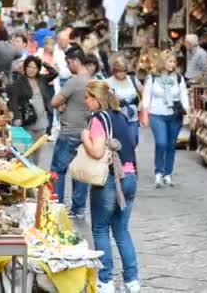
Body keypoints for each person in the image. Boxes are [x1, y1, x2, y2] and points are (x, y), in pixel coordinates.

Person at [81, 80, 140, 293]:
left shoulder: (99, 119)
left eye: (87, 97)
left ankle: (105, 281)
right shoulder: (121, 116)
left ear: (96, 99)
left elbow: (96, 152)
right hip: (130, 176)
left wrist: (85, 137)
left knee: (100, 230)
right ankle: (132, 281)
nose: (85, 101)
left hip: (110, 179)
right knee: (122, 230)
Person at [50, 48, 92, 218]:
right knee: (80, 171)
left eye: (68, 63)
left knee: (58, 170)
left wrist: (62, 104)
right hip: (85, 132)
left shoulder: (74, 82)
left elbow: (55, 101)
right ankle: (79, 208)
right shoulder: (92, 80)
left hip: (69, 132)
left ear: (75, 61)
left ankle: (56, 204)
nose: (68, 66)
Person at [140, 50, 189, 188]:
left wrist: (187, 109)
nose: (172, 64)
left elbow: (183, 94)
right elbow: (146, 95)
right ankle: (158, 172)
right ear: (162, 62)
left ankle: (167, 174)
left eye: (174, 62)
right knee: (161, 143)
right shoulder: (153, 77)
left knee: (171, 145)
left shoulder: (178, 77)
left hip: (174, 115)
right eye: (169, 61)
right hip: (157, 114)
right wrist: (145, 112)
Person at [9, 56, 59, 164]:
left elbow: (54, 73)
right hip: (27, 120)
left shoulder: (42, 79)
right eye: (29, 67)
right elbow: (14, 101)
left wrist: (44, 63)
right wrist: (17, 117)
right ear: (25, 68)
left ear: (38, 69)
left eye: (34, 67)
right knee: (26, 151)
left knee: (38, 150)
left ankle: (35, 172)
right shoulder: (19, 82)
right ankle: (26, 173)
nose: (31, 70)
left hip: (42, 120)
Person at [107, 56, 143, 146]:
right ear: (114, 71)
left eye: (124, 71)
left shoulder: (132, 80)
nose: (122, 73)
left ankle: (130, 159)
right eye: (119, 71)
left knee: (133, 141)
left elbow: (144, 92)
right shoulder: (108, 82)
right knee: (120, 142)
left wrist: (142, 103)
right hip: (117, 115)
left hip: (132, 115)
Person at [37, 36, 57, 137]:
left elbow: (57, 70)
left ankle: (47, 131)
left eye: (52, 44)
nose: (50, 47)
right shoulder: (39, 55)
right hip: (41, 83)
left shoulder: (56, 55)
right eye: (48, 44)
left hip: (51, 85)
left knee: (50, 109)